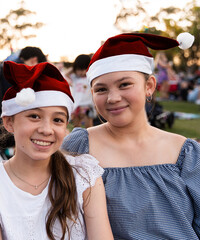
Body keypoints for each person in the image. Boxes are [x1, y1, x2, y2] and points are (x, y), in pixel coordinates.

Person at [61, 32, 200, 239]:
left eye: (125, 84)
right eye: (101, 89)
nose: (113, 98)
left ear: (149, 86)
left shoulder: (184, 152)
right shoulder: (80, 146)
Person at [0, 61, 113, 239]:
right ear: (9, 122)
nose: (46, 129)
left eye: (57, 120)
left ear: (66, 126)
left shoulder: (84, 176)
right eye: (34, 116)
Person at [65, 54, 96, 128]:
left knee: (88, 127)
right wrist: (74, 68)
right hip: (76, 106)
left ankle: (90, 139)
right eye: (79, 69)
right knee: (76, 127)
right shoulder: (75, 78)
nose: (82, 72)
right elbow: (66, 74)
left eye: (84, 69)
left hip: (87, 106)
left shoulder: (90, 78)